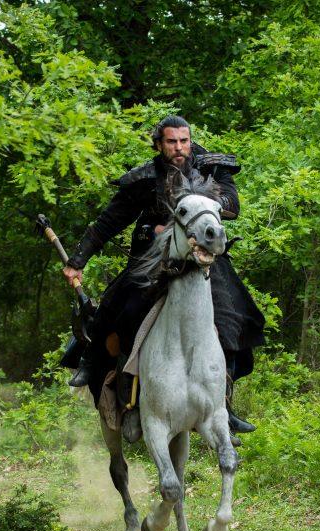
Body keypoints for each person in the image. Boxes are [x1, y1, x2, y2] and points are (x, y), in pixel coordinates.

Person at [60, 115, 264, 437]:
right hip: (154, 260)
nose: (179, 148)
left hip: (202, 259)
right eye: (171, 142)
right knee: (118, 309)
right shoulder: (145, 178)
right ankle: (102, 372)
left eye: (184, 141)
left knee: (235, 318)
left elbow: (232, 205)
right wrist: (78, 260)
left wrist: (202, 210)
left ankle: (225, 404)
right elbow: (108, 222)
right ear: (159, 144)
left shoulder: (212, 167)